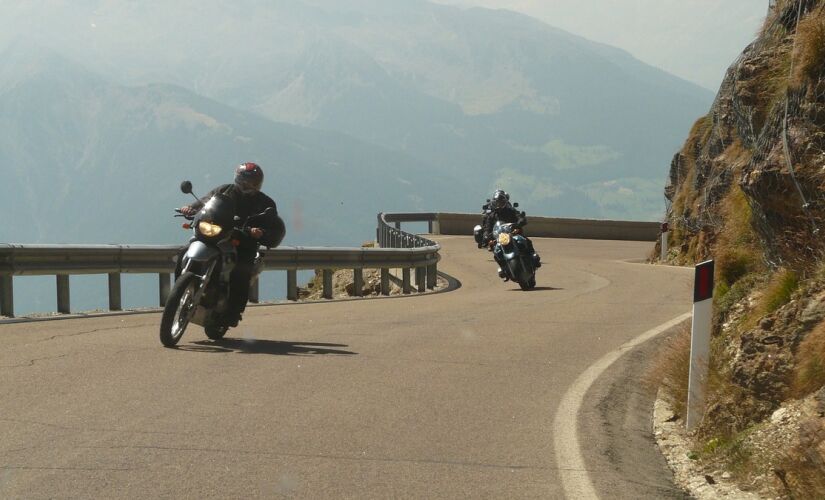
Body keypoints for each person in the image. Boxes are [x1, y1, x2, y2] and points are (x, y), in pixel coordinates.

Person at [180, 162, 284, 327]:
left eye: (251, 182)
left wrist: (260, 232)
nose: (246, 185)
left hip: (242, 241)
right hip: (219, 234)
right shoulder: (225, 190)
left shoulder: (265, 203)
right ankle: (180, 287)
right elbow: (206, 201)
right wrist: (190, 208)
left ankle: (234, 311)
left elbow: (271, 223)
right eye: (243, 180)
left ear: (258, 184)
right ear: (237, 178)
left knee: (241, 270)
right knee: (185, 250)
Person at [481, 189, 541, 279]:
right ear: (493, 203)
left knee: (525, 241)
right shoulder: (491, 216)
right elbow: (487, 227)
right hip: (500, 237)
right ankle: (503, 269)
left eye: (501, 202)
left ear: (505, 202)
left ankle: (534, 257)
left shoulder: (510, 211)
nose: (499, 204)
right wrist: (486, 236)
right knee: (496, 252)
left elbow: (519, 216)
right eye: (497, 203)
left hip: (513, 233)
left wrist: (520, 222)